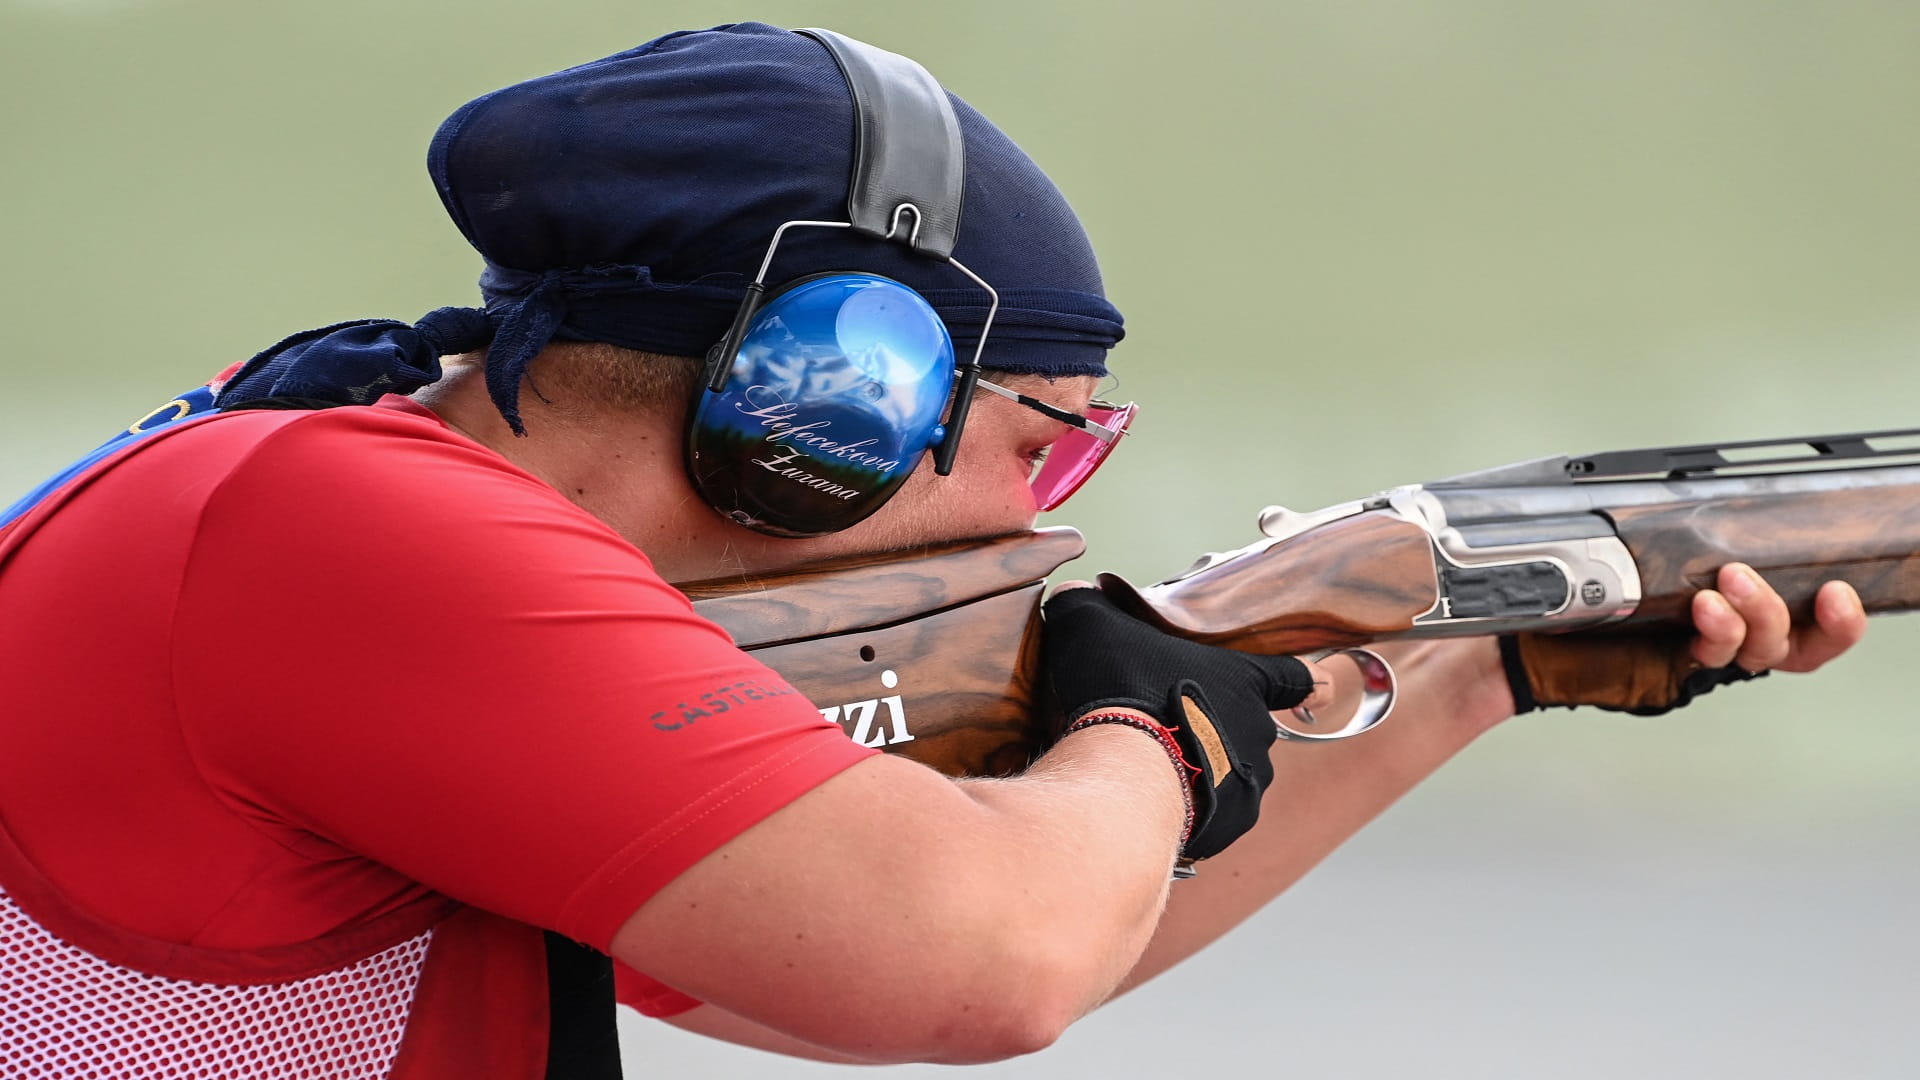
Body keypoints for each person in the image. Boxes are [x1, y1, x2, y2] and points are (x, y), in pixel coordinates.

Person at [0, 22, 1865, 1079]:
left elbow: (829, 969)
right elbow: (975, 963)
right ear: (831, 392)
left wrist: (1478, 670)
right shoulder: (346, 527)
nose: (1038, 520)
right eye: (1046, 439)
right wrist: (1155, 725)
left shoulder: (313, 486)